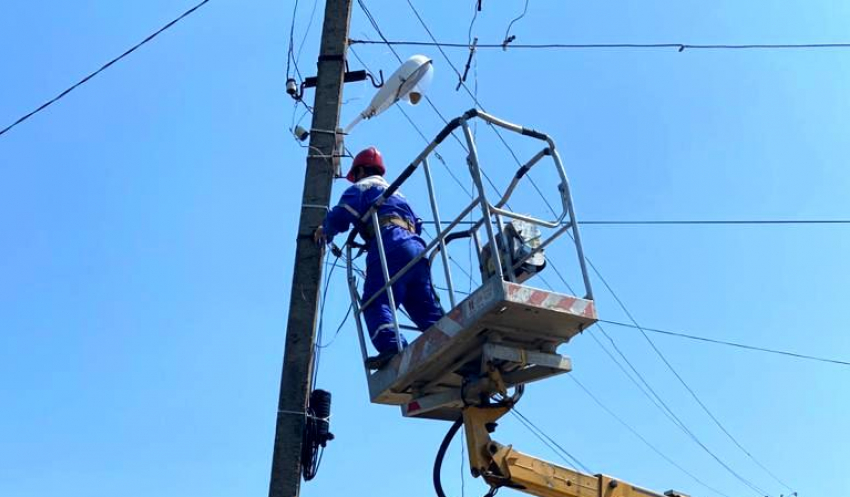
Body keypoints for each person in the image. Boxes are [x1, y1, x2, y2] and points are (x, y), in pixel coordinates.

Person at [314, 146, 444, 368]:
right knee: (422, 304)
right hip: (416, 246)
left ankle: (392, 347)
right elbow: (417, 224)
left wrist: (323, 231)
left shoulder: (362, 187)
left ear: (362, 170)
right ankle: (447, 341)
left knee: (376, 300)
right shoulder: (397, 192)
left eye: (355, 175)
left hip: (388, 243)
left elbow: (340, 215)